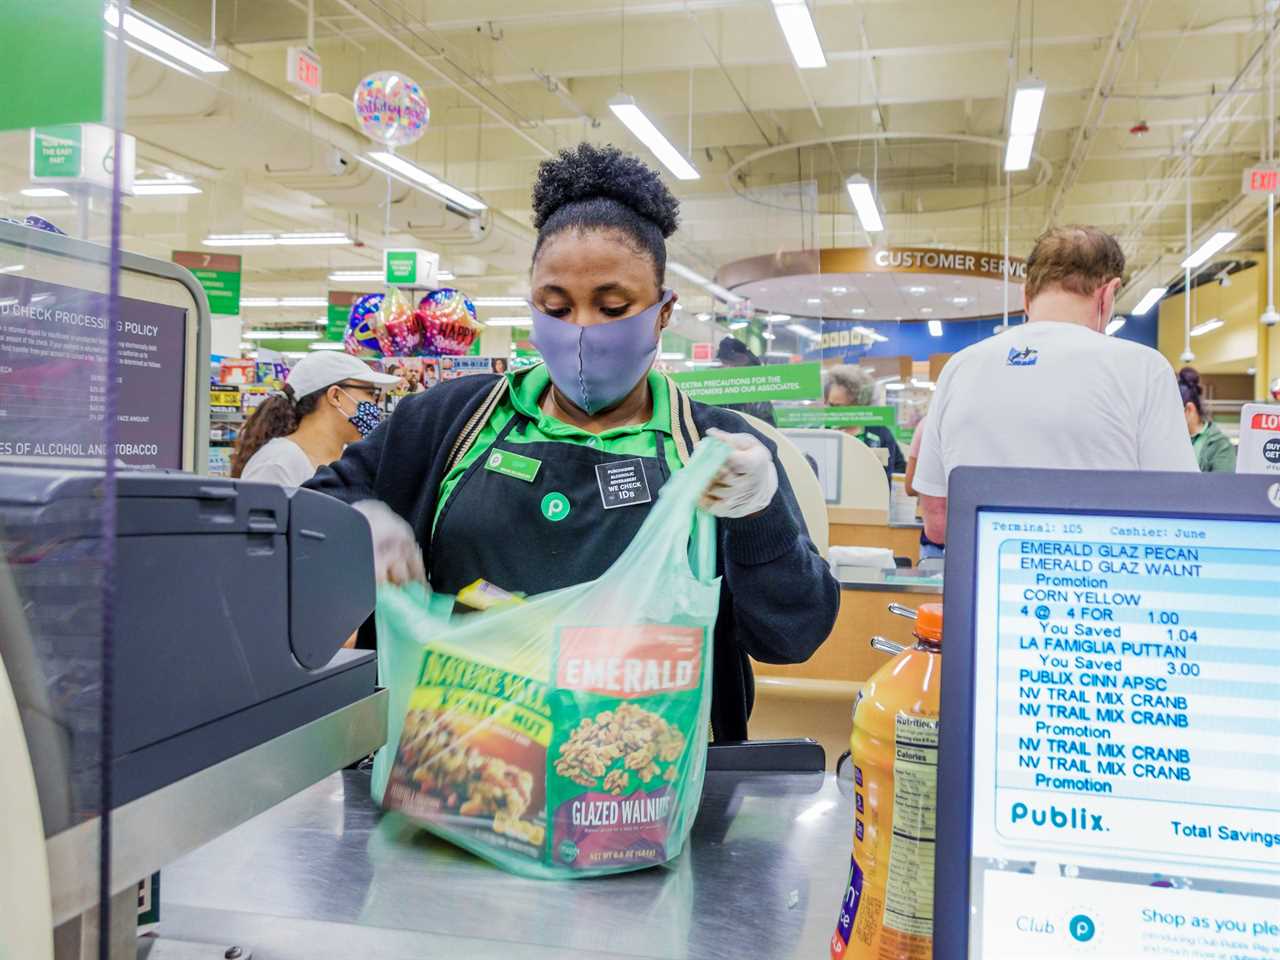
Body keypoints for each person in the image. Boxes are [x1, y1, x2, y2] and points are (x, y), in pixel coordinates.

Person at [306, 142, 839, 740]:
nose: (582, 330)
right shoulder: (445, 423)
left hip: (639, 786)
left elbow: (793, 636)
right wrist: (356, 526)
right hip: (458, 771)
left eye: (614, 307)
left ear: (664, 311)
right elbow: (298, 530)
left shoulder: (715, 447)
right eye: (555, 307)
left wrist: (757, 516)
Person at [913, 225, 1197, 544]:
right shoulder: (1144, 368)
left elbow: (936, 521)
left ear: (1025, 295)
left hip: (982, 585)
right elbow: (1178, 507)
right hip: (1102, 584)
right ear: (1108, 292)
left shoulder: (959, 367)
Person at [233, 352, 398, 486]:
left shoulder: (350, 459)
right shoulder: (276, 464)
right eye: (371, 394)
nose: (376, 406)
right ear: (336, 396)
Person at [823, 365, 906, 482]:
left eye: (839, 407)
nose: (833, 412)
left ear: (859, 404)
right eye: (830, 405)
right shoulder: (823, 432)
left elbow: (896, 472)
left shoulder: (879, 433)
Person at [1178, 367, 1236, 472]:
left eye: (1174, 413)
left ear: (1189, 409)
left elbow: (1224, 485)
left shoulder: (1221, 446)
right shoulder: (1173, 439)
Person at [903, 415, 944, 560]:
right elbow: (909, 486)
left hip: (936, 536)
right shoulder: (928, 424)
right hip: (937, 538)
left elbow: (910, 486)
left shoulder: (928, 424)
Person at [714, 337, 777, 426]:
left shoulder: (753, 380)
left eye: (731, 363)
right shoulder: (718, 382)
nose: (728, 367)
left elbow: (766, 422)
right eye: (724, 363)